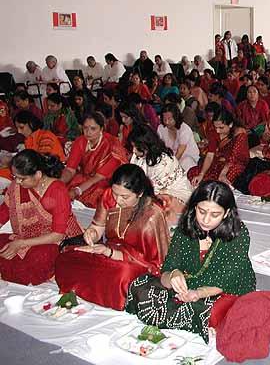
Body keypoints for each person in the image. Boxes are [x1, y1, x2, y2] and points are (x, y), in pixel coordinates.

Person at [125, 180, 256, 343]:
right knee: (140, 287)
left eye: (215, 214)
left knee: (215, 314)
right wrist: (173, 275)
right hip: (189, 285)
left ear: (227, 213)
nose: (206, 220)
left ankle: (199, 317)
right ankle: (188, 316)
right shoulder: (187, 227)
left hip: (226, 289)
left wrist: (197, 293)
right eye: (202, 211)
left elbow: (226, 279)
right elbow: (169, 267)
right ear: (194, 207)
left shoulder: (238, 234)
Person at [55, 164, 170, 310]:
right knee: (67, 257)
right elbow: (97, 227)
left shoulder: (152, 214)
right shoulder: (108, 196)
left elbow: (155, 263)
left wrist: (111, 253)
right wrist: (91, 233)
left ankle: (107, 293)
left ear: (140, 193)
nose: (118, 200)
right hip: (107, 252)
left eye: (125, 197)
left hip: (134, 264)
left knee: (123, 274)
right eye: (115, 194)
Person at [0, 150, 82, 285]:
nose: (17, 182)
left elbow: (58, 235)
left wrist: (21, 244)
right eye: (15, 177)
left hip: (56, 241)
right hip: (25, 237)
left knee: (39, 258)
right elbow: (4, 211)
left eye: (22, 178)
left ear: (38, 174)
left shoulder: (57, 190)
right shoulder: (16, 186)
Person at [61, 112, 129, 207]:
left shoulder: (112, 145)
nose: (88, 132)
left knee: (98, 191)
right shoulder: (80, 141)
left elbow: (97, 178)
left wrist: (77, 191)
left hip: (104, 181)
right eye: (85, 128)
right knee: (67, 185)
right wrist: (59, 183)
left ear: (101, 129)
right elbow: (70, 169)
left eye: (93, 129)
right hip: (85, 178)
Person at [128, 124, 193, 225]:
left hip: (174, 192)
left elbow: (155, 191)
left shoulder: (164, 161)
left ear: (146, 146)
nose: (133, 150)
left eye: (136, 147)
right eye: (132, 146)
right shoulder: (139, 156)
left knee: (156, 206)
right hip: (151, 191)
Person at [188, 109, 249, 186]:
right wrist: (201, 174)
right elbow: (210, 155)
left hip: (234, 164)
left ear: (230, 124)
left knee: (227, 178)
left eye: (221, 127)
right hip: (219, 162)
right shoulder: (213, 132)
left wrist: (223, 174)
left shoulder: (240, 134)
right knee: (193, 172)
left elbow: (233, 158)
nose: (217, 131)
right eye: (215, 127)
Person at [157, 104, 199, 172]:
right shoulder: (161, 128)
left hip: (187, 158)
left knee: (186, 162)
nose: (167, 122)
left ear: (176, 118)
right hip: (170, 159)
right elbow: (160, 147)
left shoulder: (185, 129)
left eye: (170, 119)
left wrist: (170, 167)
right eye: (165, 119)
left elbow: (180, 152)